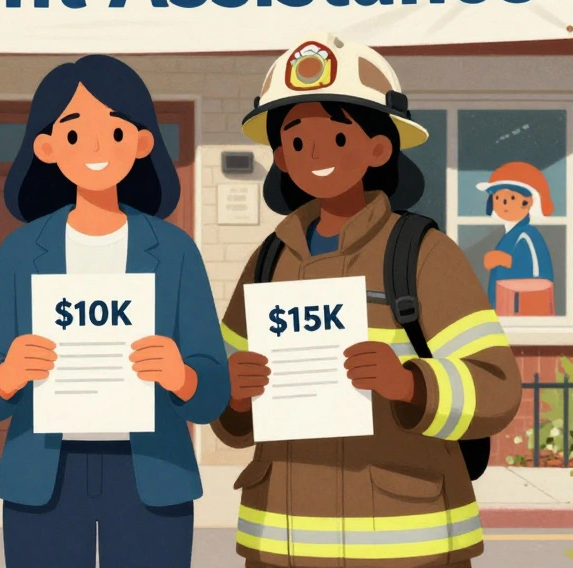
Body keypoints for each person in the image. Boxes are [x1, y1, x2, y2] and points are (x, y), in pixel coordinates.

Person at [213, 32, 522, 568]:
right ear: (281, 156)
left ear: (380, 148)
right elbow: (226, 409)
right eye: (296, 140)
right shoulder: (267, 262)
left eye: (337, 138)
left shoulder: (423, 254)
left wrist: (410, 382)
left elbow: (497, 390)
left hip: (407, 547)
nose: (315, 154)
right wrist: (234, 395)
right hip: (279, 547)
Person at [0, 55, 230, 568]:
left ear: (141, 142)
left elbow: (213, 393)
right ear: (45, 147)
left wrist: (181, 377)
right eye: (73, 133)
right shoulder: (21, 252)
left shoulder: (174, 251)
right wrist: (8, 374)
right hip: (43, 474)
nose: (93, 146)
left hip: (151, 471)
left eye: (112, 130)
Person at [478, 161, 556, 309]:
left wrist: (505, 260)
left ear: (527, 202)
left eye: (512, 198)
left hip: (522, 312)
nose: (504, 203)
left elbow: (537, 274)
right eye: (498, 198)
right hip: (504, 309)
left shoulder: (528, 235)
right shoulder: (509, 236)